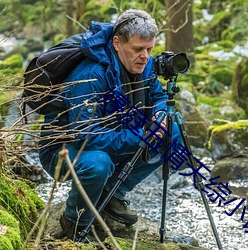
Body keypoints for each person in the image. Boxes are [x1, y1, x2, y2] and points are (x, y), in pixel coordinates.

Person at [39, 9, 183, 241]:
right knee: (98, 164)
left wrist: (159, 115)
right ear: (117, 43)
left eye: (150, 49)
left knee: (172, 131)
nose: (145, 56)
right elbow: (85, 136)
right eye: (138, 49)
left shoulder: (143, 64)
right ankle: (74, 221)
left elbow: (157, 96)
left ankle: (113, 193)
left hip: (114, 135)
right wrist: (142, 135)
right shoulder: (90, 75)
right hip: (64, 149)